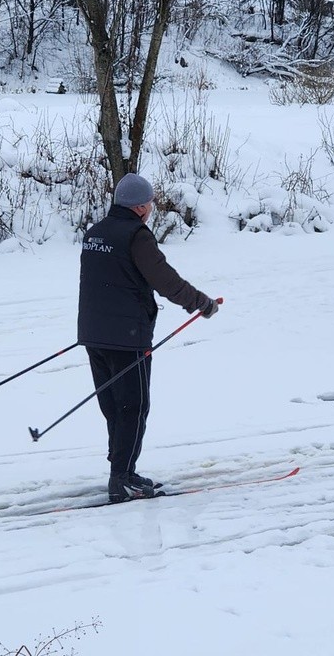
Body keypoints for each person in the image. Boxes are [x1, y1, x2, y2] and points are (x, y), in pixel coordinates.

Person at [77, 172, 219, 503]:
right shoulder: (136, 236)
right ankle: (122, 478)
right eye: (150, 203)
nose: (151, 208)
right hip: (127, 338)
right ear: (140, 207)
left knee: (114, 406)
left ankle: (121, 469)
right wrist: (201, 303)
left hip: (94, 334)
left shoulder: (94, 233)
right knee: (134, 406)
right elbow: (165, 280)